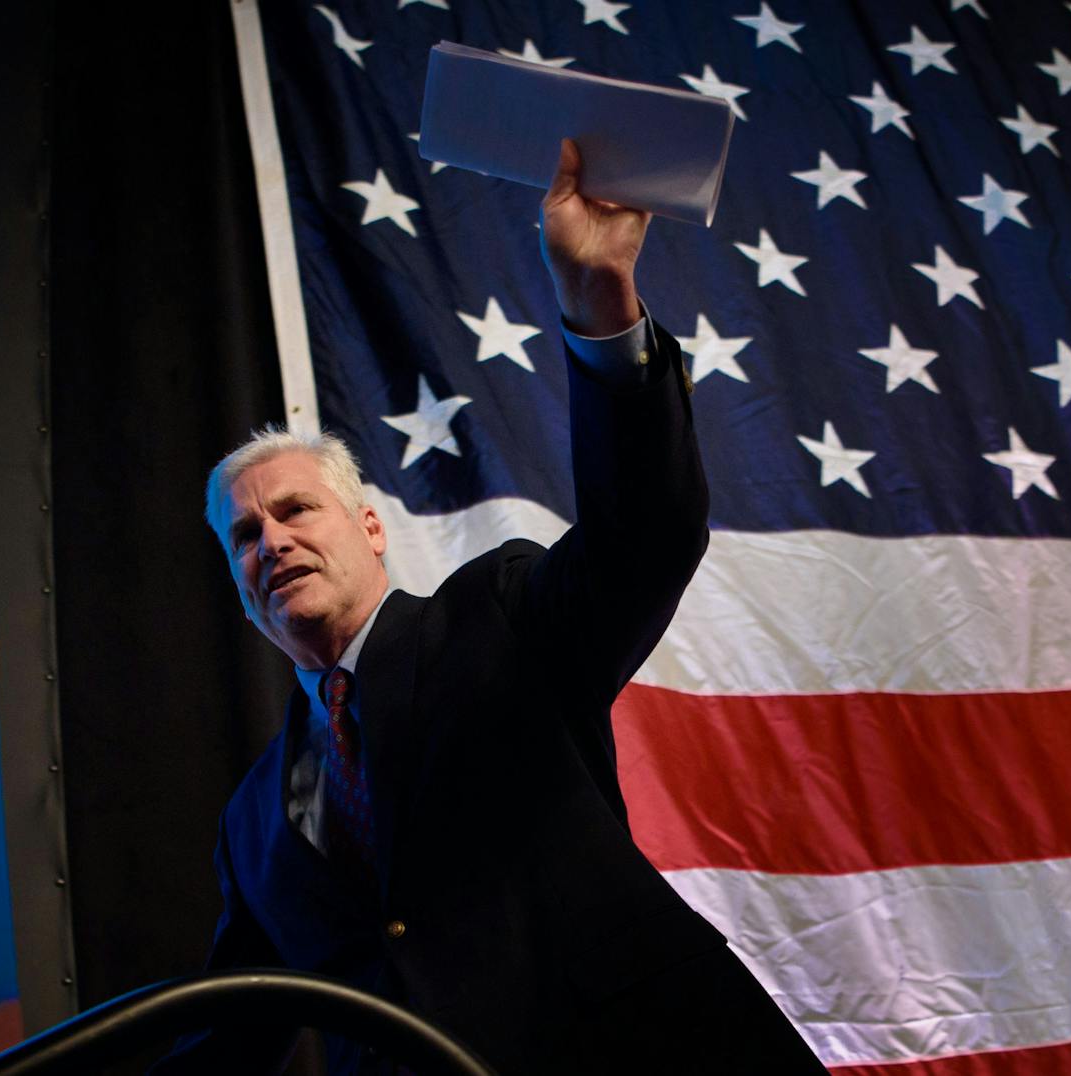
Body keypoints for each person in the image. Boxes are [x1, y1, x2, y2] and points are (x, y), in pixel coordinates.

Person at [156, 141, 825, 1074]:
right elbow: (227, 1041)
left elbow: (648, 533)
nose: (270, 541)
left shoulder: (500, 619)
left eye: (296, 509)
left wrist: (600, 306)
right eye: (243, 536)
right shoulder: (251, 822)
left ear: (371, 527)